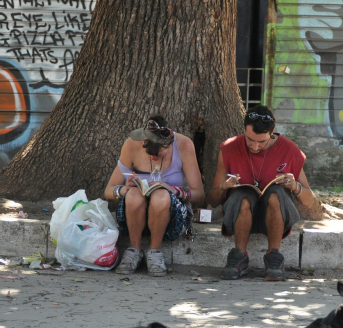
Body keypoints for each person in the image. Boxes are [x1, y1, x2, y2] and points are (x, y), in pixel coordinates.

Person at [207, 105, 316, 281]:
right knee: (243, 196)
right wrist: (224, 187)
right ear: (244, 130)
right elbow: (212, 200)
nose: (255, 146)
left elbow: (309, 201)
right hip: (239, 214)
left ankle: (274, 256)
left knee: (274, 194)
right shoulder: (229, 148)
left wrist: (295, 186)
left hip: (275, 216)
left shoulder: (289, 150)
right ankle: (239, 255)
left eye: (261, 142)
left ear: (272, 134)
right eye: (250, 140)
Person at [104, 116, 204, 276]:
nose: (153, 157)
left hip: (171, 218)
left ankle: (154, 251)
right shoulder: (131, 145)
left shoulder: (184, 145)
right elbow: (109, 190)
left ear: (170, 144)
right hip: (134, 215)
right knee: (134, 194)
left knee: (161, 196)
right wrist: (124, 189)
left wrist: (174, 190)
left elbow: (199, 195)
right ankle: (134, 249)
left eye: (159, 153)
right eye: (149, 152)